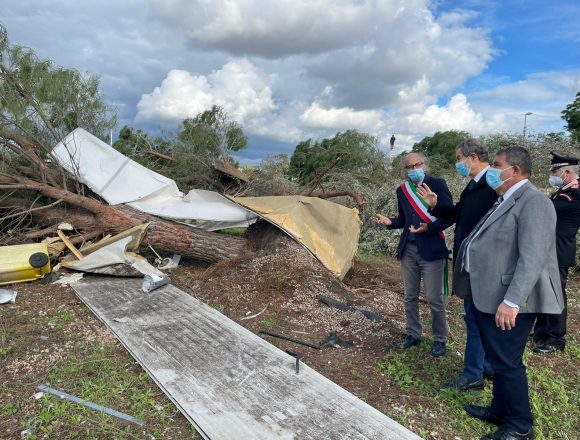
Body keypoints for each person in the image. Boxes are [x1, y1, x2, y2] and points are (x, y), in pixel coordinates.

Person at [453, 146, 564, 440]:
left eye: (497, 165)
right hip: (491, 294)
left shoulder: (534, 202)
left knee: (507, 363)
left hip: (512, 299)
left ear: (514, 170)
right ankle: (499, 410)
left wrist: (512, 301)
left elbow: (533, 257)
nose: (492, 170)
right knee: (498, 357)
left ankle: (519, 425)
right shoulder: (507, 198)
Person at [416, 139, 498, 391]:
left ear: (473, 157)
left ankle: (473, 374)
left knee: (475, 319)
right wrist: (435, 205)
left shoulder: (491, 186)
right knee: (478, 318)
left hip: (482, 263)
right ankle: (486, 366)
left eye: (459, 158)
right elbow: (457, 215)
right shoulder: (473, 185)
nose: (457, 163)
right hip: (470, 259)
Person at [375, 152, 453, 357]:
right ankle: (413, 334)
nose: (414, 169)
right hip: (409, 248)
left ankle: (440, 339)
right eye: (409, 167)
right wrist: (390, 222)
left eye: (417, 165)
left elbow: (449, 217)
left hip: (432, 248)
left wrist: (429, 228)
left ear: (425, 166)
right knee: (410, 296)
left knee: (435, 298)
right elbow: (404, 219)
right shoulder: (402, 190)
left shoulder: (438, 184)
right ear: (404, 171)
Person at [531, 151, 580, 354]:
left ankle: (556, 339)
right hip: (549, 249)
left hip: (559, 251)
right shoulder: (564, 191)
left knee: (555, 295)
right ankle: (541, 332)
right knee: (543, 292)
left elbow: (545, 210)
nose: (552, 174)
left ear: (567, 171)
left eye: (555, 171)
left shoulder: (574, 194)